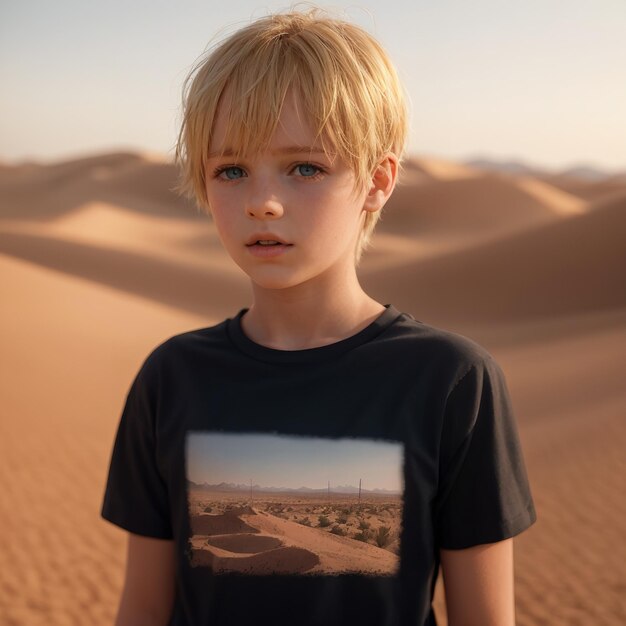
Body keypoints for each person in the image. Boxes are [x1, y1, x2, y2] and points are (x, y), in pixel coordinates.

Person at [100, 7, 537, 626]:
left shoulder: (452, 381)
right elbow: (143, 608)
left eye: (306, 167)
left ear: (378, 181)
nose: (264, 203)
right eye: (231, 170)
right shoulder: (172, 377)